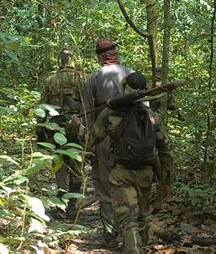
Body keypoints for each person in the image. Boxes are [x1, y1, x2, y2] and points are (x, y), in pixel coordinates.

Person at [74, 72, 174, 253]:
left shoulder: (111, 114)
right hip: (146, 174)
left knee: (128, 220)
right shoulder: (153, 117)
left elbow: (90, 140)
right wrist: (167, 179)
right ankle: (139, 247)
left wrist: (77, 128)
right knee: (142, 217)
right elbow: (165, 149)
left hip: (121, 173)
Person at [82, 38, 134, 244]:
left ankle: (110, 233)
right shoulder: (131, 73)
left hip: (103, 136)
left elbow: (86, 114)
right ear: (115, 53)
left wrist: (88, 144)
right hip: (132, 135)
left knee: (104, 183)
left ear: (101, 56)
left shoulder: (94, 78)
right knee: (129, 180)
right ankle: (131, 233)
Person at [37, 49, 84, 220]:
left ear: (60, 61)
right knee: (77, 167)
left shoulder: (51, 80)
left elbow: (41, 108)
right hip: (78, 128)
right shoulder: (82, 79)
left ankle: (61, 205)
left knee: (60, 167)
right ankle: (72, 207)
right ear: (73, 60)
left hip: (56, 129)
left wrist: (39, 130)